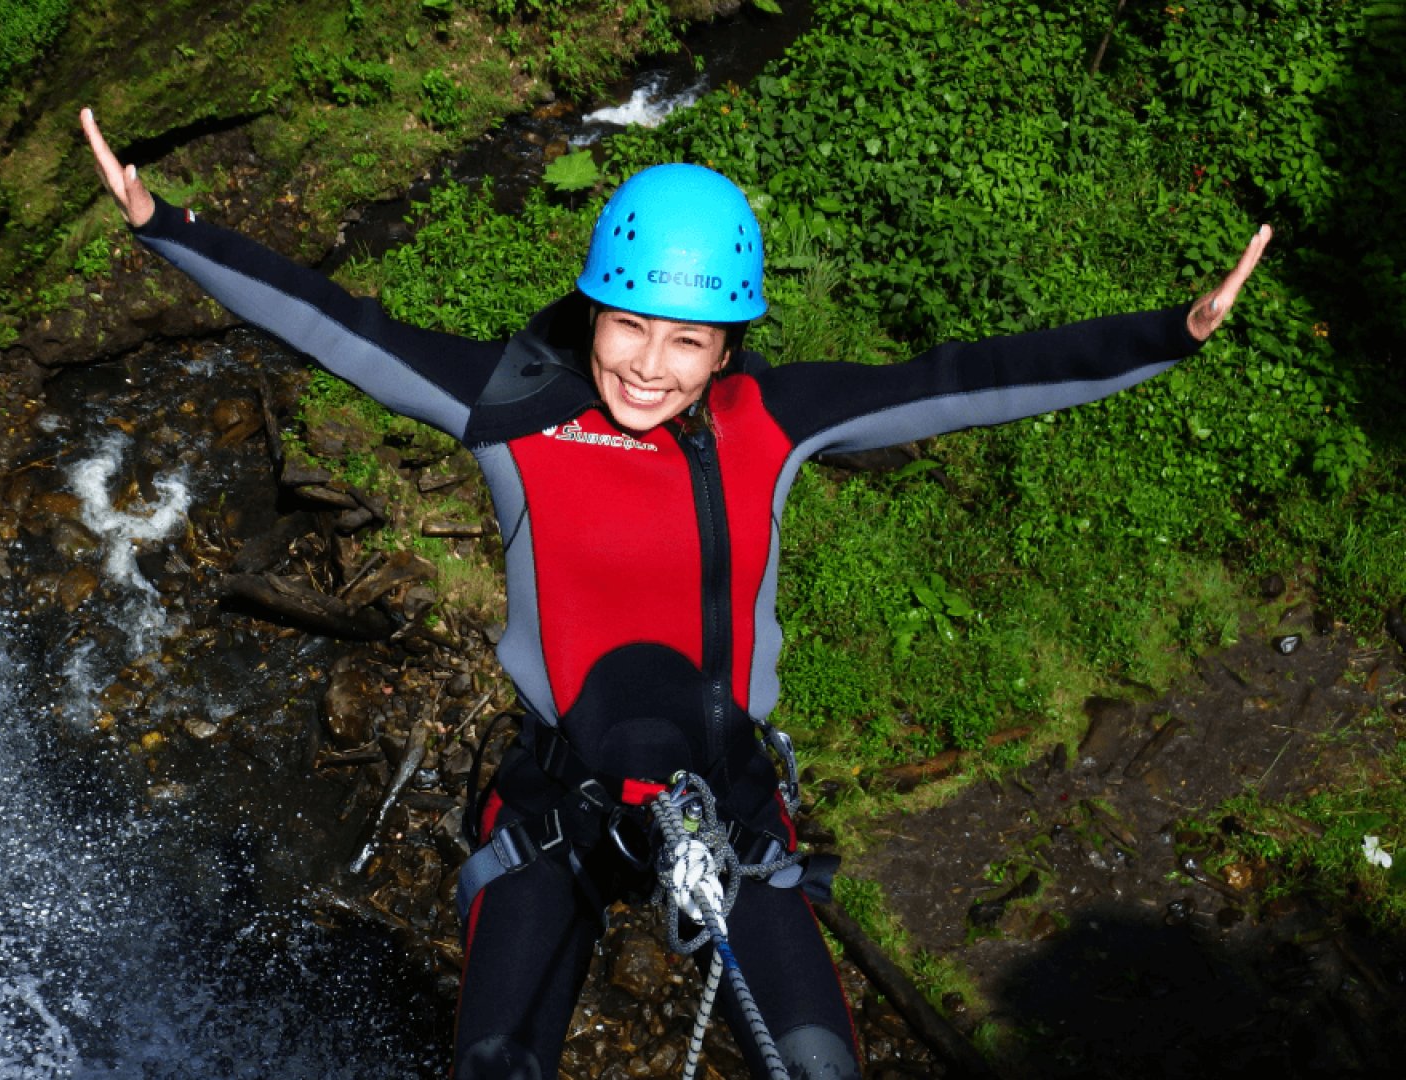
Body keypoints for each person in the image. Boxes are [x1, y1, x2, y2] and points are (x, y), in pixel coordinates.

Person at [81, 107, 1271, 1079]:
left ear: (728, 349)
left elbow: (968, 377)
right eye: (630, 327)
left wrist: (1168, 331)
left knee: (817, 1070)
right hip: (562, 801)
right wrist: (164, 225)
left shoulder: (775, 423)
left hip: (728, 807)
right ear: (593, 307)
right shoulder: (514, 404)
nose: (648, 366)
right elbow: (337, 328)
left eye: (687, 342)